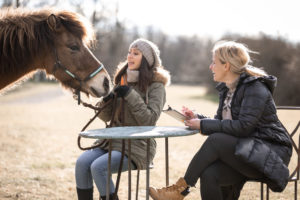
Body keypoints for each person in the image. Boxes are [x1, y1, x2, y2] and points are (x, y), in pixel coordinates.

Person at [149, 41, 292, 200]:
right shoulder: (228, 89)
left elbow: (244, 127)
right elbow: (222, 123)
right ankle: (179, 191)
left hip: (271, 153)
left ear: (226, 66)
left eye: (214, 62)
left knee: (216, 139)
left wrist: (203, 125)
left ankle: (179, 191)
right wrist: (198, 118)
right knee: (210, 174)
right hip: (246, 150)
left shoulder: (255, 88)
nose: (211, 67)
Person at [75, 38, 170, 200]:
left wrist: (130, 95)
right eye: (129, 52)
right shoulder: (122, 79)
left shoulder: (156, 86)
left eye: (136, 53)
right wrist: (107, 100)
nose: (130, 56)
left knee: (98, 167)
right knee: (82, 163)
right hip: (111, 141)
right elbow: (105, 117)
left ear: (146, 59)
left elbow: (149, 120)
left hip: (138, 146)